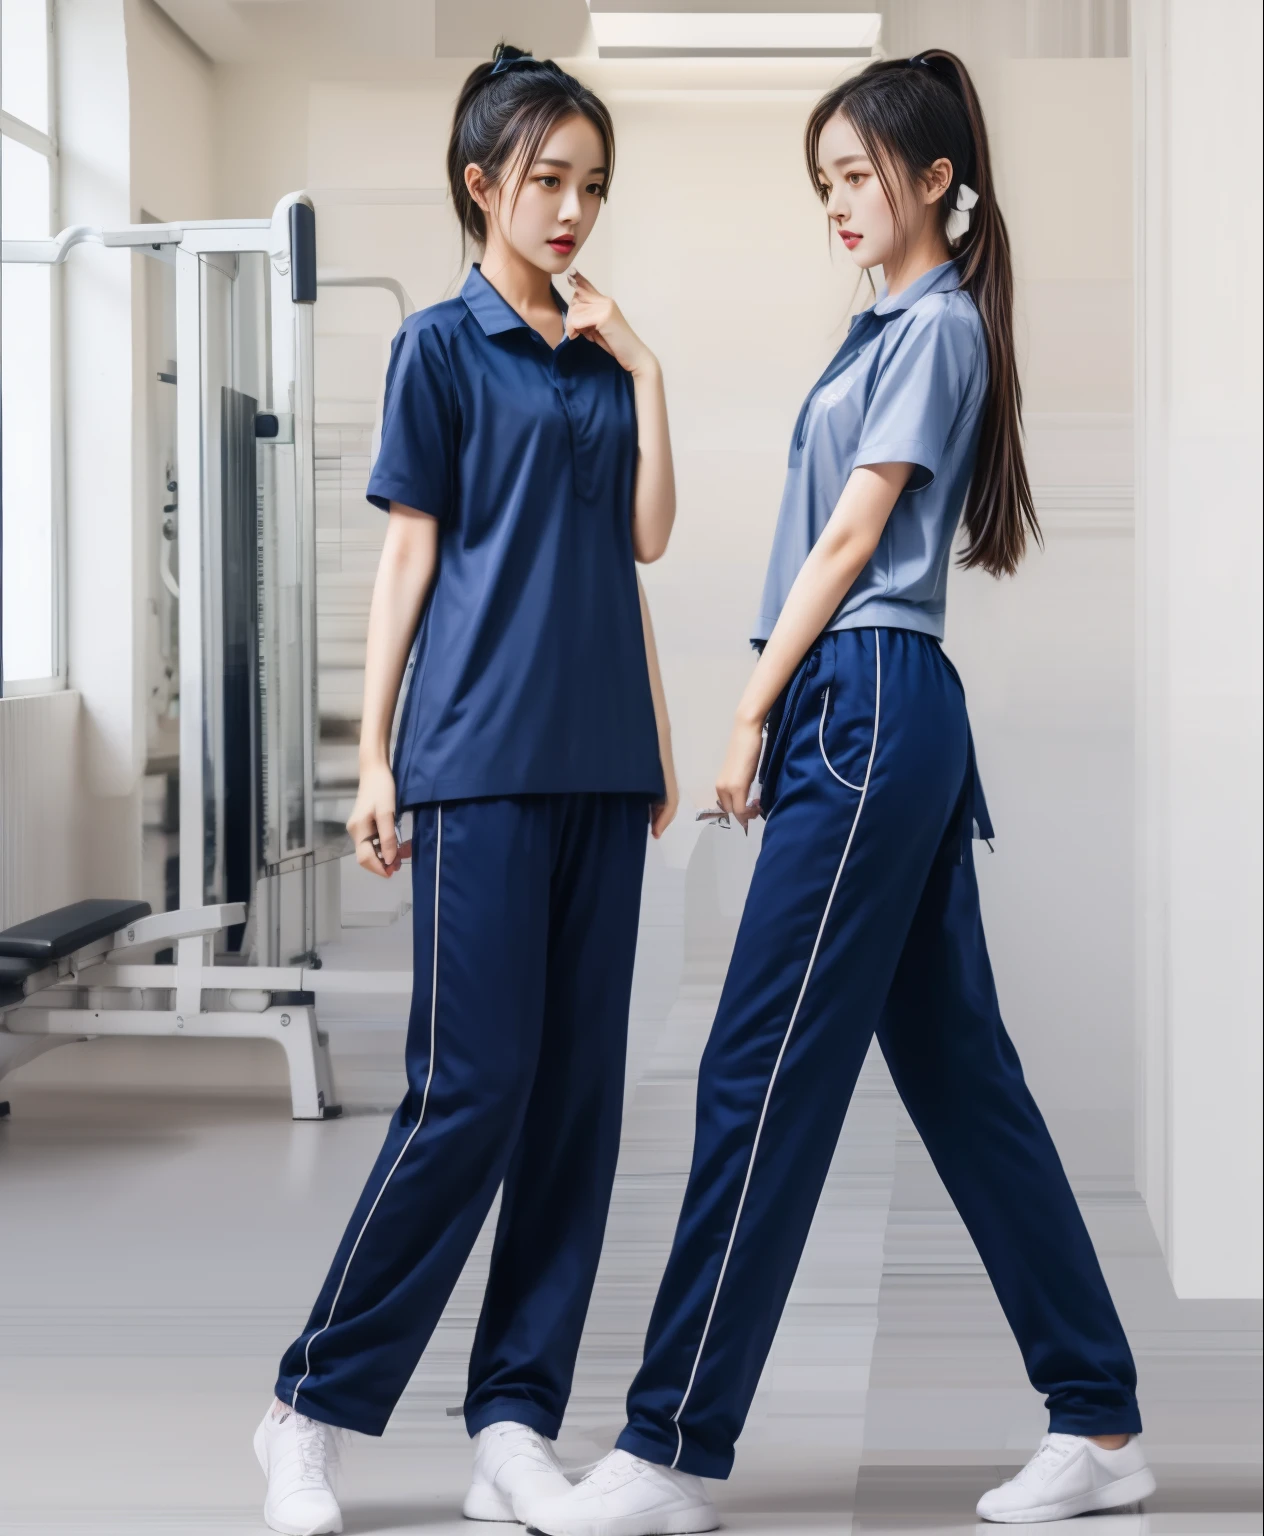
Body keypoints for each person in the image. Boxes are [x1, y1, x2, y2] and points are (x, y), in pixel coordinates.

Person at [533, 51, 1156, 1536]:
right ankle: (1102, 1422)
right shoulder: (883, 328)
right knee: (962, 1079)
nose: (837, 204)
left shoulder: (935, 333)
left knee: (759, 1068)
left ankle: (673, 1443)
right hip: (877, 709)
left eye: (858, 176)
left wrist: (749, 712)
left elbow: (847, 544)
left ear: (936, 178)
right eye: (822, 182)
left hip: (863, 702)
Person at [253, 43, 679, 1536]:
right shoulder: (437, 348)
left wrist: (646, 369)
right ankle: (309, 1405)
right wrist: (372, 755)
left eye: (594, 187)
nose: (573, 211)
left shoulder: (604, 350)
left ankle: (514, 1421)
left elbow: (638, 544)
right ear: (481, 183)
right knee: (467, 1094)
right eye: (549, 181)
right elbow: (411, 558)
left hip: (604, 760)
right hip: (478, 762)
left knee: (574, 1110)